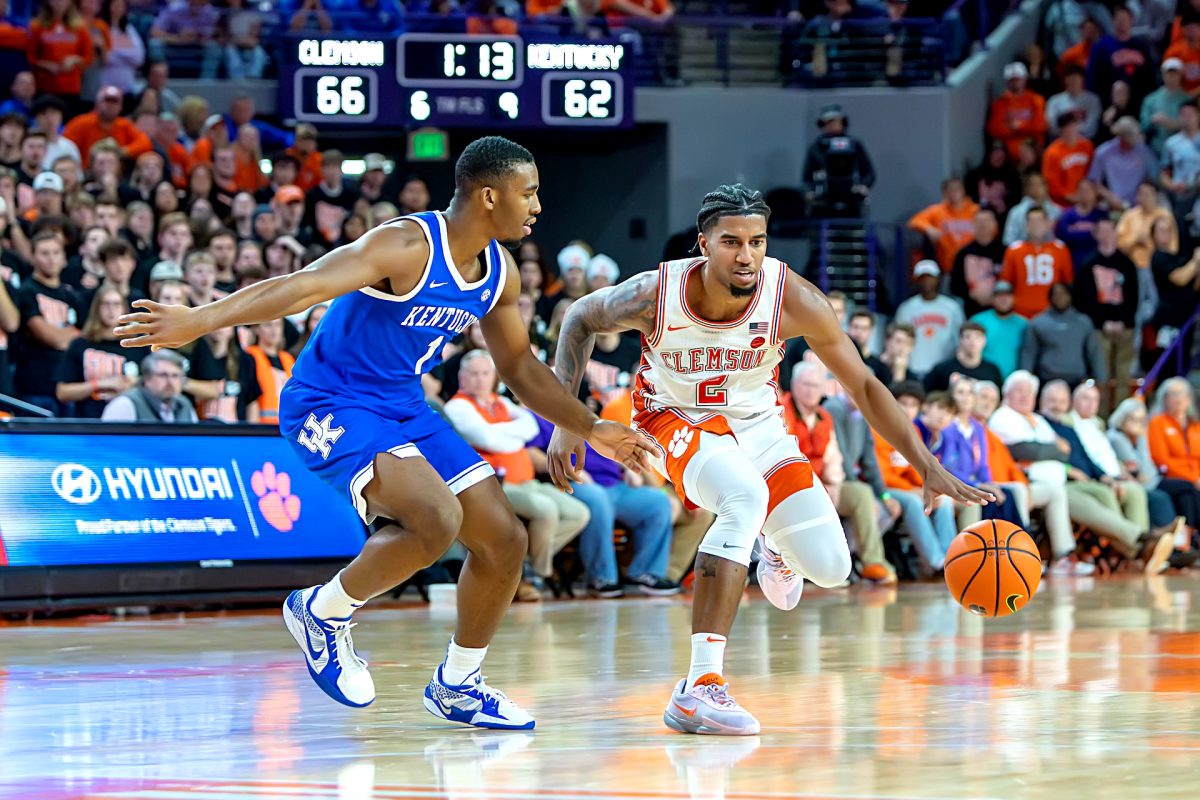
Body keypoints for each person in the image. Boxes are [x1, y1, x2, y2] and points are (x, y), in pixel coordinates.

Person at [115, 136, 652, 730]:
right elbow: (303, 285)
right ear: (489, 195)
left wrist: (590, 425)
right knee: (437, 518)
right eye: (529, 193)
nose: (537, 206)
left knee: (504, 540)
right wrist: (200, 319)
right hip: (330, 401)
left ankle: (459, 685)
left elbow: (520, 368)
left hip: (402, 405)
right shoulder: (405, 245)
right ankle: (323, 611)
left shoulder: (499, 274)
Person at [545, 184, 989, 736]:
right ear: (702, 244)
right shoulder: (655, 294)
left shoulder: (792, 297)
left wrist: (923, 461)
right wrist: (569, 422)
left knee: (832, 567)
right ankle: (698, 690)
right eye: (730, 242)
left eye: (757, 241)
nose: (746, 255)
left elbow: (865, 386)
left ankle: (770, 544)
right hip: (670, 418)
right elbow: (579, 319)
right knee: (743, 496)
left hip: (758, 427)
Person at [893, 260, 965, 376]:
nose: (927, 281)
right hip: (913, 367)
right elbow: (898, 340)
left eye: (930, 277)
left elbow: (960, 339)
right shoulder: (906, 308)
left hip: (944, 369)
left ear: (938, 279)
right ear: (917, 280)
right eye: (922, 278)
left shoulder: (952, 308)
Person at [1000, 207, 1074, 319]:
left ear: (1048, 223)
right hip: (1021, 313)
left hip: (1052, 313)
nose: (1035, 225)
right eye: (1031, 221)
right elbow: (1006, 283)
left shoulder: (1060, 249)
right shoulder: (1014, 250)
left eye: (1039, 221)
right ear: (1026, 225)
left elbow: (1067, 283)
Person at [100, 347, 196, 421]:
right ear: (146, 378)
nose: (170, 382)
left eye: (175, 376)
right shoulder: (125, 404)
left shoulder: (184, 404)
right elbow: (109, 444)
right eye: (163, 375)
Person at [923, 321, 1003, 392]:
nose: (973, 341)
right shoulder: (942, 369)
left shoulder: (992, 370)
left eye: (978, 337)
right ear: (960, 340)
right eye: (968, 337)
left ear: (984, 341)